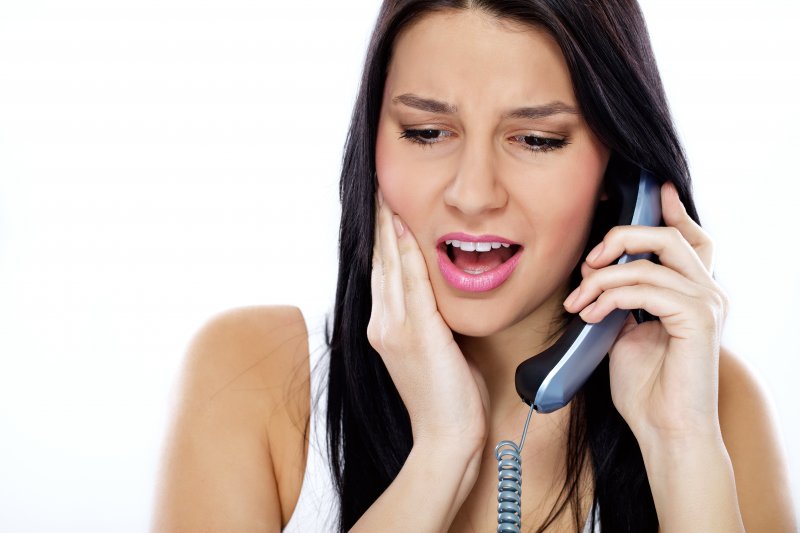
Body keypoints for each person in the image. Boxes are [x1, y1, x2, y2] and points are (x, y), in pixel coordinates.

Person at [151, 1, 796, 531]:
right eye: (426, 132)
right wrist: (441, 452)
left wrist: (679, 443)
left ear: (621, 174)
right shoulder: (251, 375)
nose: (474, 192)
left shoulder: (711, 402)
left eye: (537, 139)